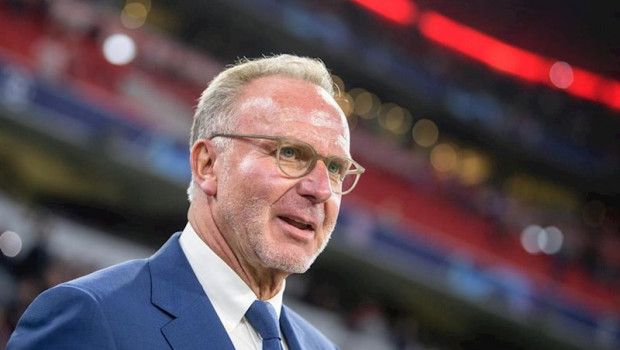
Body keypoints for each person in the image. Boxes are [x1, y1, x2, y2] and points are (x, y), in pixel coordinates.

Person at [6, 54, 365, 349]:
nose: (320, 189)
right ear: (208, 165)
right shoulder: (94, 318)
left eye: (335, 168)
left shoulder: (319, 347)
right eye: (290, 153)